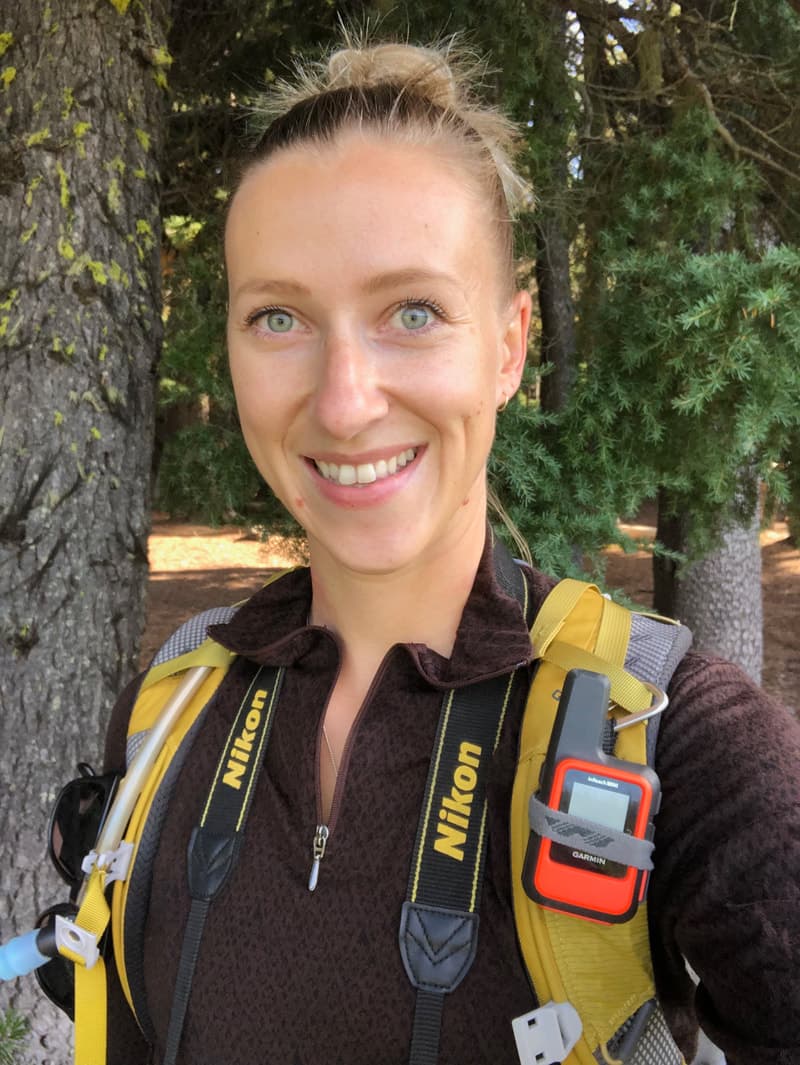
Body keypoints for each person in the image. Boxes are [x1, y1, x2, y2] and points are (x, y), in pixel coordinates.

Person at [98, 35, 800, 1065]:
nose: (342, 401)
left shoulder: (669, 739)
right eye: (279, 316)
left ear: (509, 345)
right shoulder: (171, 711)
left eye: (412, 312)